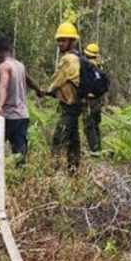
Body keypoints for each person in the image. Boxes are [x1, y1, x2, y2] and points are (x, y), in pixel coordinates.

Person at [0, 36, 42, 171]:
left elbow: (4, 86)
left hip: (9, 116)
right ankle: (21, 179)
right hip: (23, 116)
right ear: (10, 49)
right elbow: (29, 80)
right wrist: (39, 90)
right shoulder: (20, 65)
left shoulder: (4, 66)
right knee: (19, 152)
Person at [45, 22, 82, 171]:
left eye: (63, 40)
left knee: (57, 141)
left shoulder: (68, 60)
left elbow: (56, 81)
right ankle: (73, 173)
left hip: (69, 106)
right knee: (73, 142)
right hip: (77, 107)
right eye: (58, 40)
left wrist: (46, 91)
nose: (60, 44)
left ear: (72, 41)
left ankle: (52, 173)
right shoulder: (79, 57)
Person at [82, 43, 105, 154]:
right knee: (95, 125)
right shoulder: (99, 69)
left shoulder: (86, 67)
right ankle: (98, 148)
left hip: (88, 101)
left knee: (88, 126)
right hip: (98, 101)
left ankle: (95, 151)